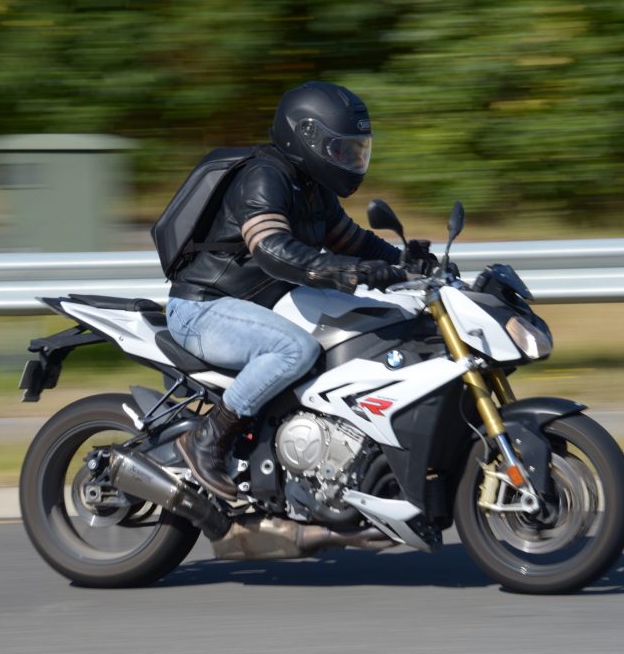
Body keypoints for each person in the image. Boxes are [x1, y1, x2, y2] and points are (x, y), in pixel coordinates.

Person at [166, 81, 432, 499]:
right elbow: (273, 250)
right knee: (296, 351)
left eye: (355, 150)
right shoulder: (264, 177)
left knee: (370, 326)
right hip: (207, 307)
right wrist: (348, 272)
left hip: (262, 303)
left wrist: (404, 263)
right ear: (305, 136)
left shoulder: (312, 186)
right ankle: (207, 440)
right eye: (340, 150)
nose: (349, 159)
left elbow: (352, 240)